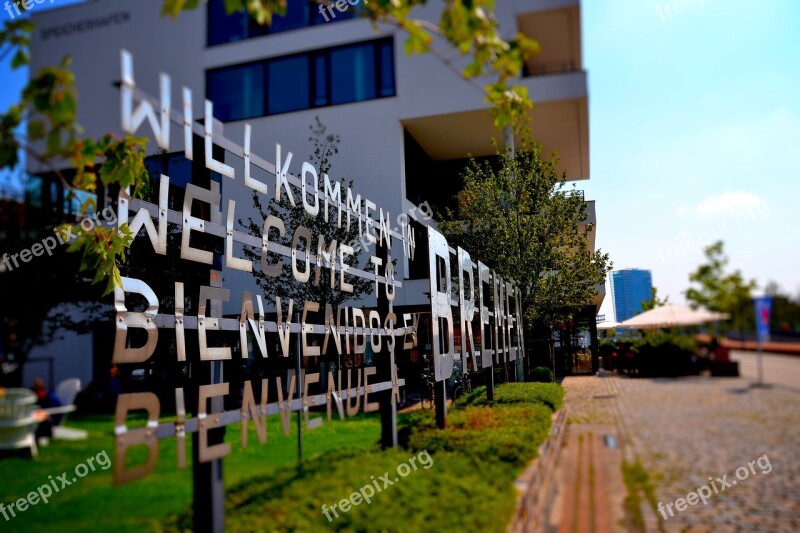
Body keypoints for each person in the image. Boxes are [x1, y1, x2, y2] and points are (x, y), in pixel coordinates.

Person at [31, 378, 61, 444]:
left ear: (42, 390)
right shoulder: (42, 398)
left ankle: (41, 436)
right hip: (46, 417)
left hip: (52, 419)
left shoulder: (51, 398)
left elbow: (52, 414)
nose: (35, 394)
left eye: (36, 391)